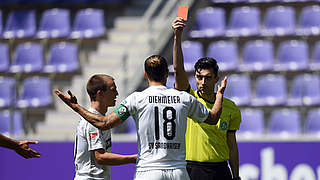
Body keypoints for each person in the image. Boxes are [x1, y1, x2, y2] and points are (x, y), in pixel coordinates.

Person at [55, 55, 227, 180]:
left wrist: (75, 106)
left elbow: (104, 123)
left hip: (148, 171)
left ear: (145, 75)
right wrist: (219, 95)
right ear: (167, 75)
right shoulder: (184, 97)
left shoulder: (136, 98)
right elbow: (213, 118)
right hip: (178, 171)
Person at [172, 17, 242, 180]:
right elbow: (177, 69)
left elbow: (232, 146)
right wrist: (177, 36)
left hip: (220, 170)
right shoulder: (188, 98)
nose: (202, 82)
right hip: (192, 169)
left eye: (207, 78)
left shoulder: (231, 108)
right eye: (199, 77)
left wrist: (236, 175)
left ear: (216, 79)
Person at [72, 74, 137, 180]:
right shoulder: (92, 122)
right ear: (100, 94)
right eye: (113, 90)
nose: (117, 93)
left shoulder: (100, 119)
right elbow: (100, 157)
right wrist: (133, 158)